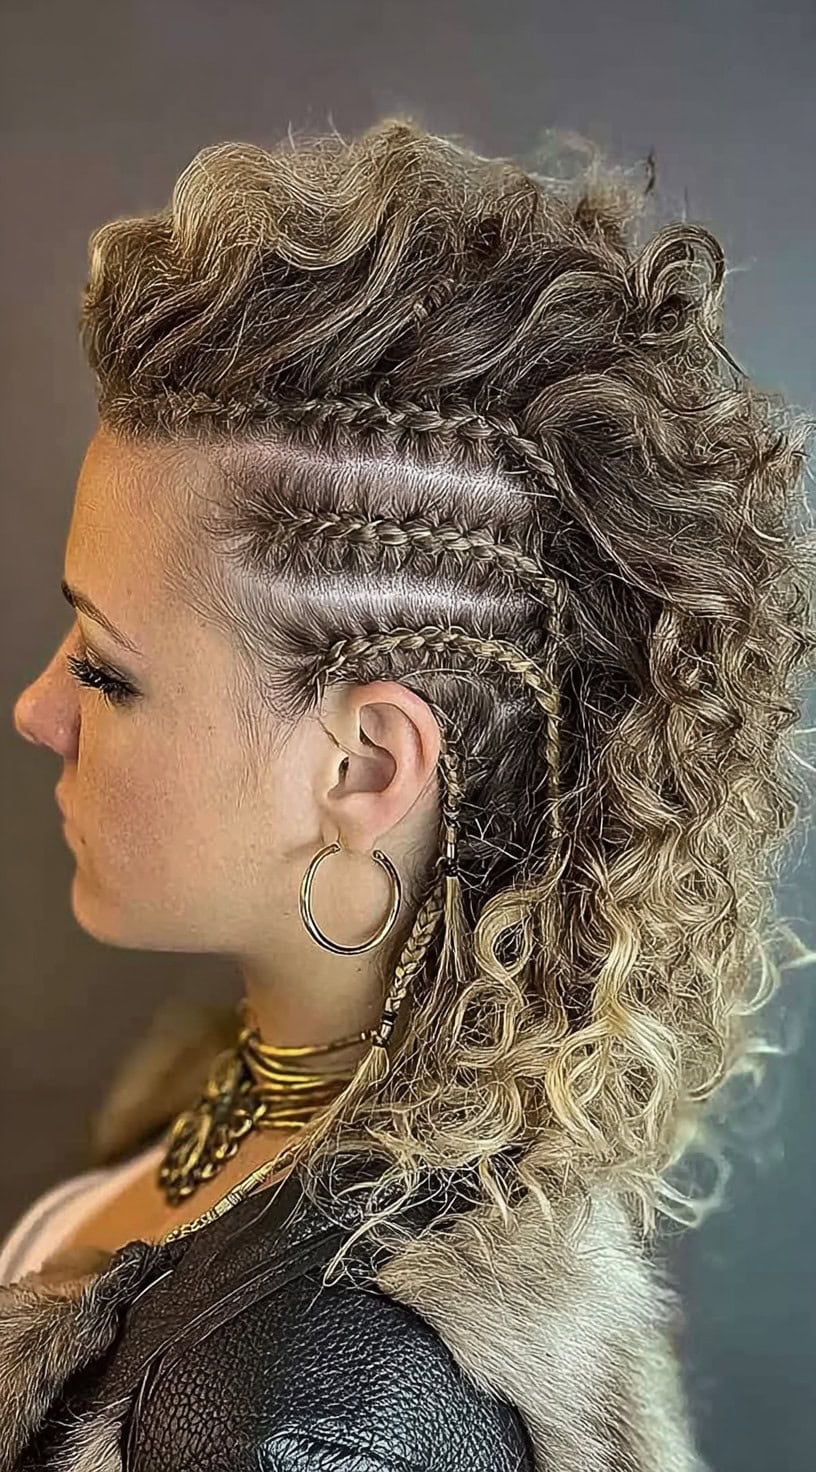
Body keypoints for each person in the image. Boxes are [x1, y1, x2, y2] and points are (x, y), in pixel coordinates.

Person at [3, 115, 814, 1472]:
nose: (35, 711)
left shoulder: (309, 1422)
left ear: (366, 769)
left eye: (106, 668)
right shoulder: (272, 1100)